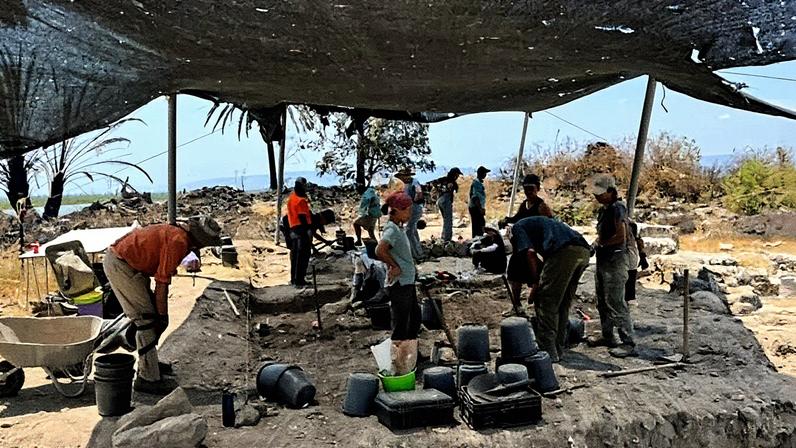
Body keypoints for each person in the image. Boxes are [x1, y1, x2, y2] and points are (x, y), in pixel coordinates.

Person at [103, 215, 222, 394]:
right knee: (146, 320)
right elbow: (162, 282)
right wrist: (162, 315)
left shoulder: (178, 235)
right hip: (121, 264)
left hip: (129, 264)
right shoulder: (178, 241)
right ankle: (147, 378)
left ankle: (150, 363)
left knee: (150, 317)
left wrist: (161, 315)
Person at [508, 216, 591, 362]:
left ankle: (547, 352)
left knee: (546, 301)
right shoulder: (540, 225)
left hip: (564, 252)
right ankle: (559, 346)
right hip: (583, 251)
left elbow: (530, 254)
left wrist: (536, 282)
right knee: (563, 302)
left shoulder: (517, 228)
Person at [587, 174, 636, 358]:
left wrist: (601, 244)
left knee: (616, 301)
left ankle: (628, 342)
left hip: (615, 261)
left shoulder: (618, 208)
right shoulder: (604, 210)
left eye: (601, 193)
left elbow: (620, 236)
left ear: (611, 191)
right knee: (602, 300)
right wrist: (594, 244)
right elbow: (603, 234)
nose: (597, 197)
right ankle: (608, 335)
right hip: (603, 260)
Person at [375, 192, 420, 375]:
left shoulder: (398, 228)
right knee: (401, 322)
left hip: (408, 281)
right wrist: (394, 265)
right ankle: (397, 361)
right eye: (406, 210)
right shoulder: (392, 229)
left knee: (414, 318)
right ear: (396, 211)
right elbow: (380, 250)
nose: (409, 213)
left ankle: (410, 354)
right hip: (401, 283)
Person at [285, 177, 314, 288]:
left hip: (293, 228)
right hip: (301, 229)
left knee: (295, 256)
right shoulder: (300, 201)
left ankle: (294, 279)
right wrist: (308, 230)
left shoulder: (291, 198)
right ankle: (299, 280)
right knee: (303, 256)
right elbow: (302, 217)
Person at [394, 168, 424, 260]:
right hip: (408, 209)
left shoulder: (415, 182)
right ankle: (418, 251)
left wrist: (414, 200)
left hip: (414, 208)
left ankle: (416, 254)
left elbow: (419, 193)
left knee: (408, 231)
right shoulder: (403, 185)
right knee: (413, 230)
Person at [436, 167, 463, 242]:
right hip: (446, 200)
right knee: (448, 220)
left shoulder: (442, 179)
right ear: (455, 174)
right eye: (457, 175)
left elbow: (434, 185)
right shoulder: (452, 182)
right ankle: (447, 239)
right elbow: (454, 191)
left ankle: (443, 237)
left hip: (439, 200)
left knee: (445, 219)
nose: (457, 177)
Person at [625, 221, 649, 302]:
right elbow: (642, 251)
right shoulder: (637, 240)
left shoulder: (629, 240)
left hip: (628, 262)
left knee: (628, 283)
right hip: (633, 262)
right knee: (631, 283)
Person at [469, 166, 490, 238]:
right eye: (485, 173)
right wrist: (480, 209)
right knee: (478, 225)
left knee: (480, 224)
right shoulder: (476, 183)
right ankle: (477, 239)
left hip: (478, 207)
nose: (485, 175)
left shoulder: (479, 183)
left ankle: (478, 238)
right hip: (475, 207)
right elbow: (475, 197)